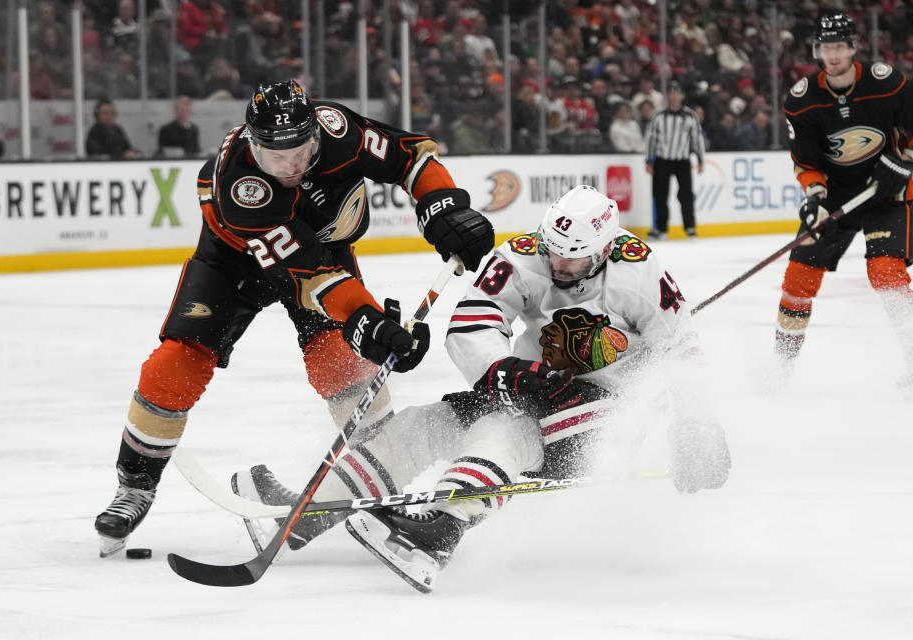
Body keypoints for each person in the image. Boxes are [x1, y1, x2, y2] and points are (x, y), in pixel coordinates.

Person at [234, 186, 730, 592]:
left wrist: (697, 427)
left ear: (603, 250)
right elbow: (474, 319)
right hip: (536, 388)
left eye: (573, 262)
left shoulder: (640, 272)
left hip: (607, 415)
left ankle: (441, 529)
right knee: (424, 425)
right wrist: (505, 367)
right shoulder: (526, 254)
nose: (558, 267)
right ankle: (307, 510)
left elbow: (683, 351)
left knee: (502, 427)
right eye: (553, 253)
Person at [93, 80, 494, 557]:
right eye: (274, 157)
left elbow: (413, 157)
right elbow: (315, 278)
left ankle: (374, 476)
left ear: (315, 134)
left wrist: (442, 206)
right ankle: (135, 485)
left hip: (320, 253)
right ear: (251, 143)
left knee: (343, 364)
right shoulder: (242, 188)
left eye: (300, 152)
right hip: (233, 264)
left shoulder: (337, 128)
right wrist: (370, 322)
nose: (290, 167)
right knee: (175, 364)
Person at [774, 12, 913, 387]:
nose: (832, 55)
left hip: (887, 193)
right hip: (837, 198)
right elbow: (806, 160)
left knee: (886, 270)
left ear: (853, 48)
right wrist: (816, 196)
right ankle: (780, 370)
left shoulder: (887, 83)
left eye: (839, 46)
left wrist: (904, 162)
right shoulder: (803, 101)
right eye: (825, 47)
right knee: (797, 279)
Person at [644, 81, 705, 240]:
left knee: (686, 195)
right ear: (668, 96)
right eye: (672, 92)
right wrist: (648, 160)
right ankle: (661, 228)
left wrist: (700, 159)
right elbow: (651, 138)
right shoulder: (658, 115)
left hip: (682, 160)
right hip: (662, 159)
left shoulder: (690, 115)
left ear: (682, 96)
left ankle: (690, 227)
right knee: (660, 195)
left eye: (678, 93)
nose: (675, 96)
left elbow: (697, 138)